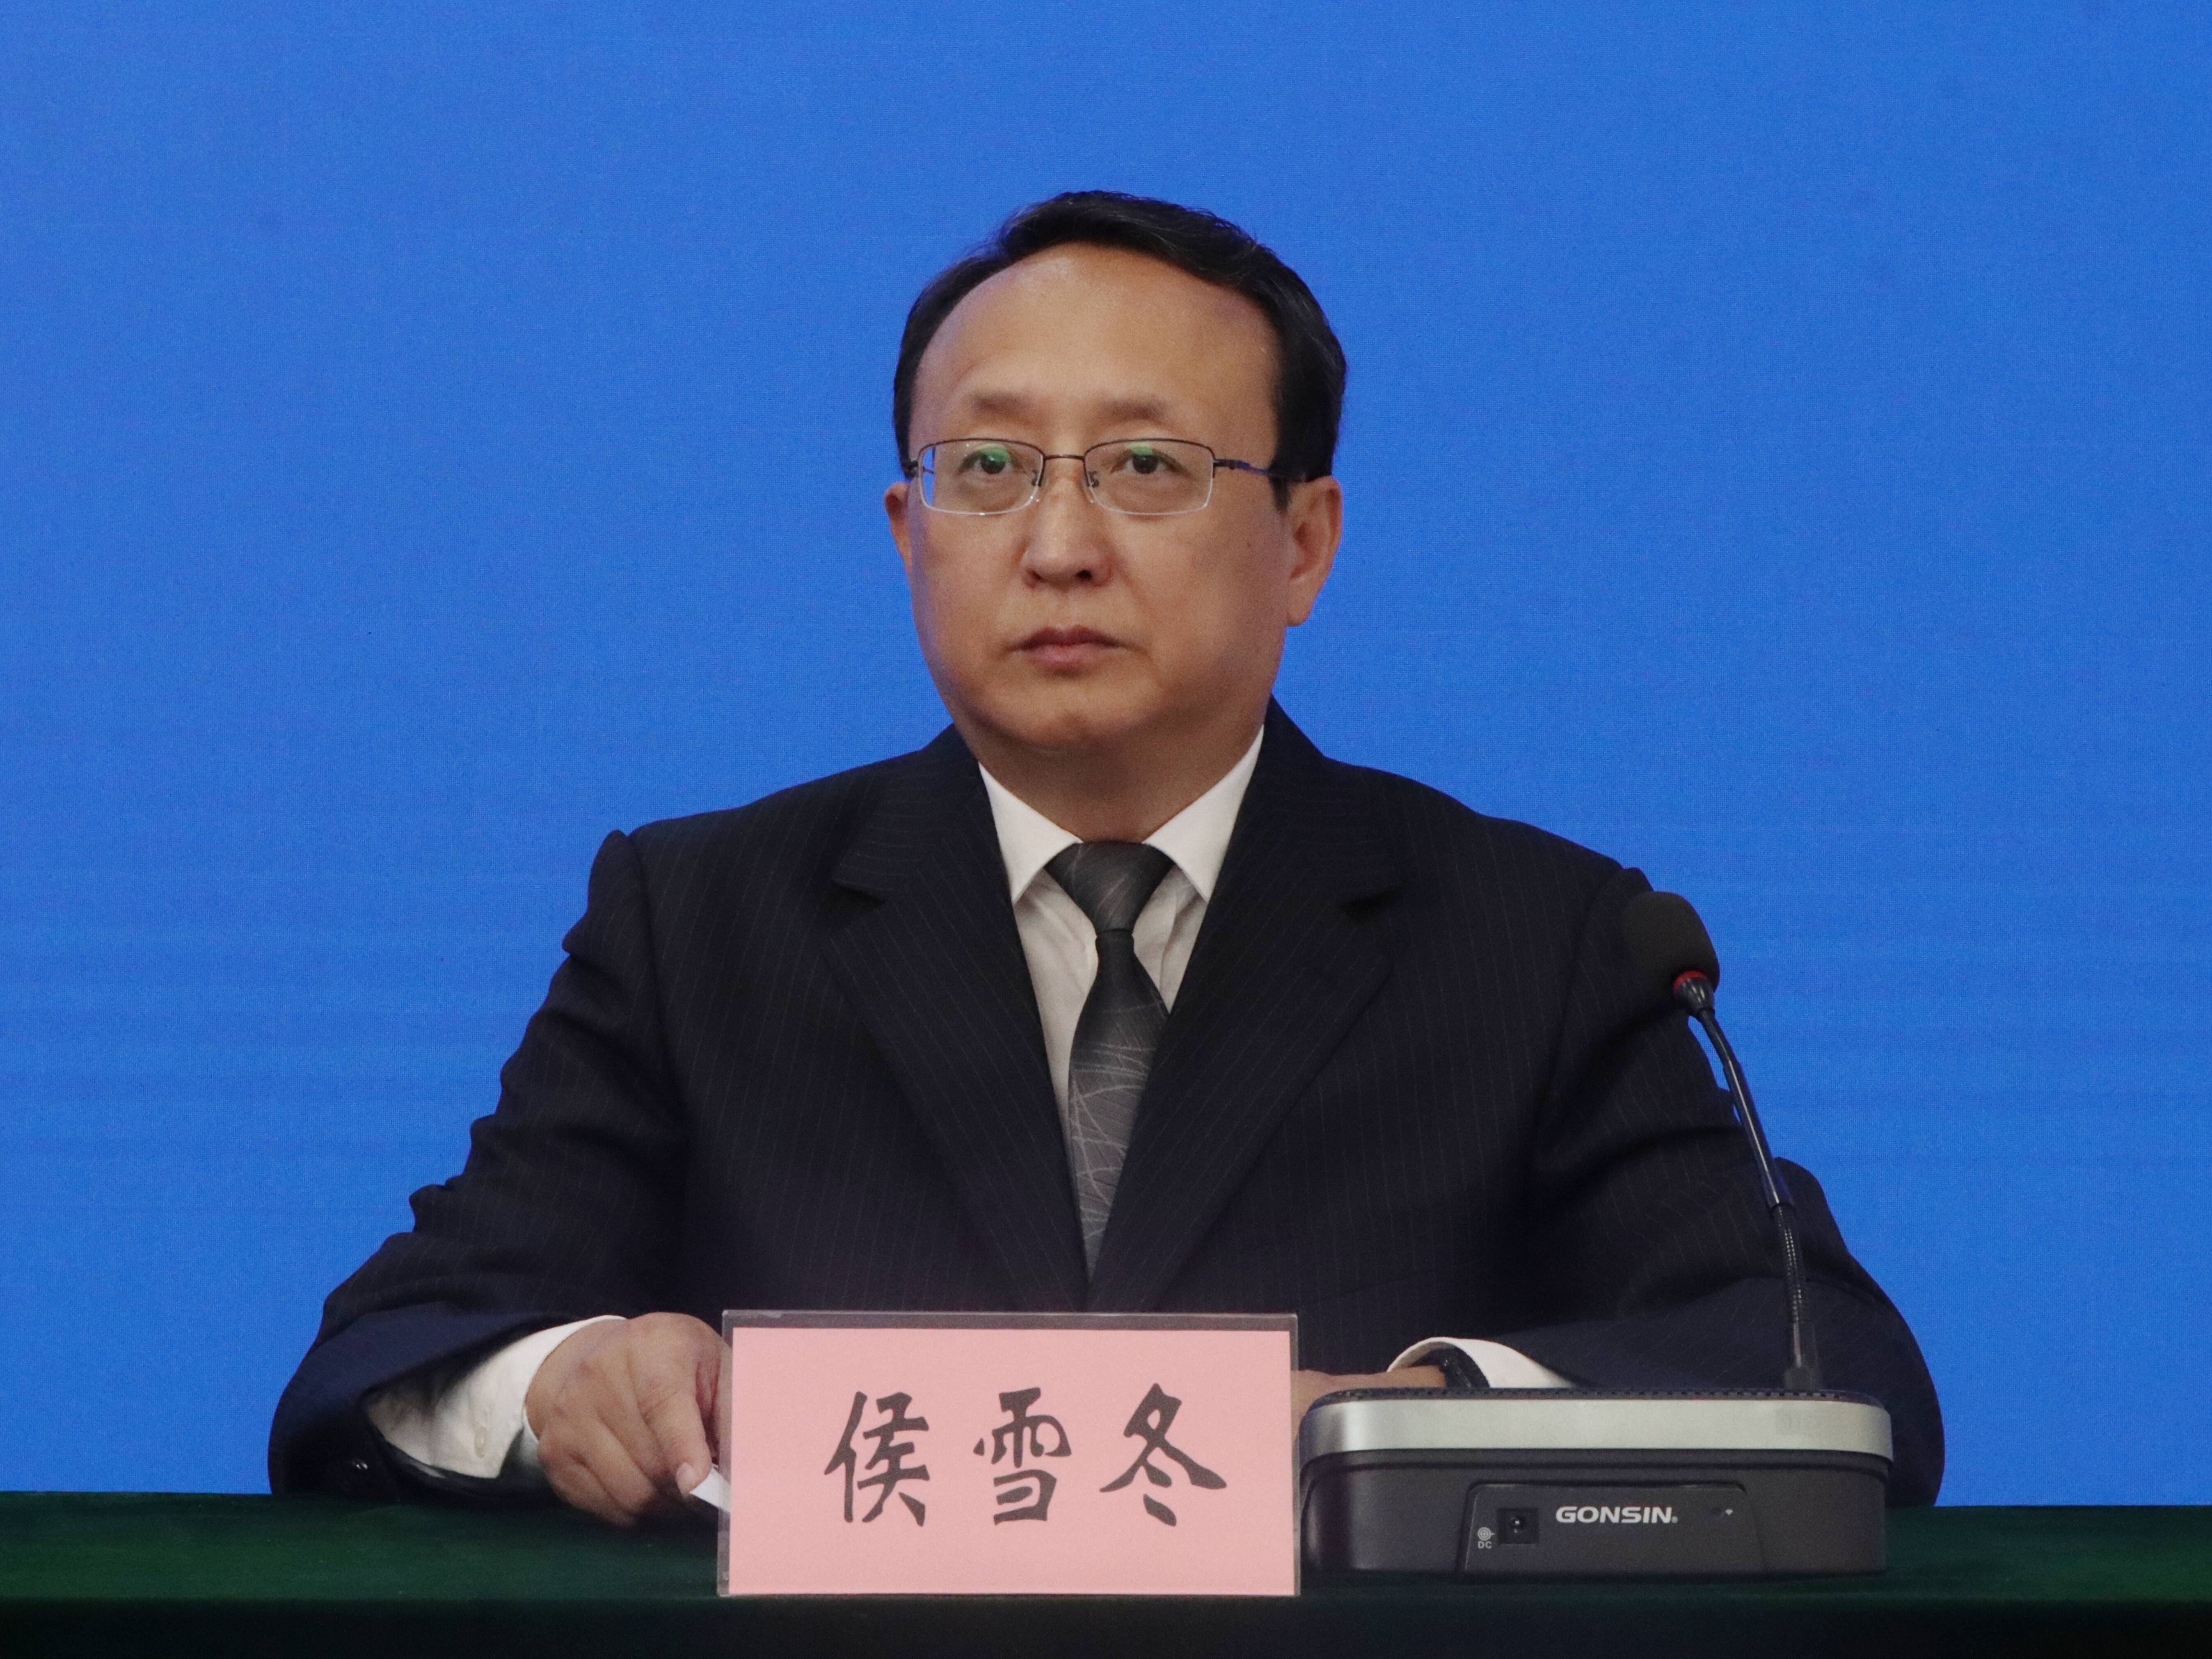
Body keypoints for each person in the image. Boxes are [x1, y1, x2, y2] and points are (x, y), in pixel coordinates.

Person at [270, 192, 1942, 1524]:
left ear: (1304, 543)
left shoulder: (1541, 936)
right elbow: (386, 1357)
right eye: (989, 469)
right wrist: (564, 1378)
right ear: (908, 533)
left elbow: (1826, 1368)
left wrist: (1408, 1423)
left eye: (1146, 467)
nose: (1057, 544)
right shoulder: (700, 916)